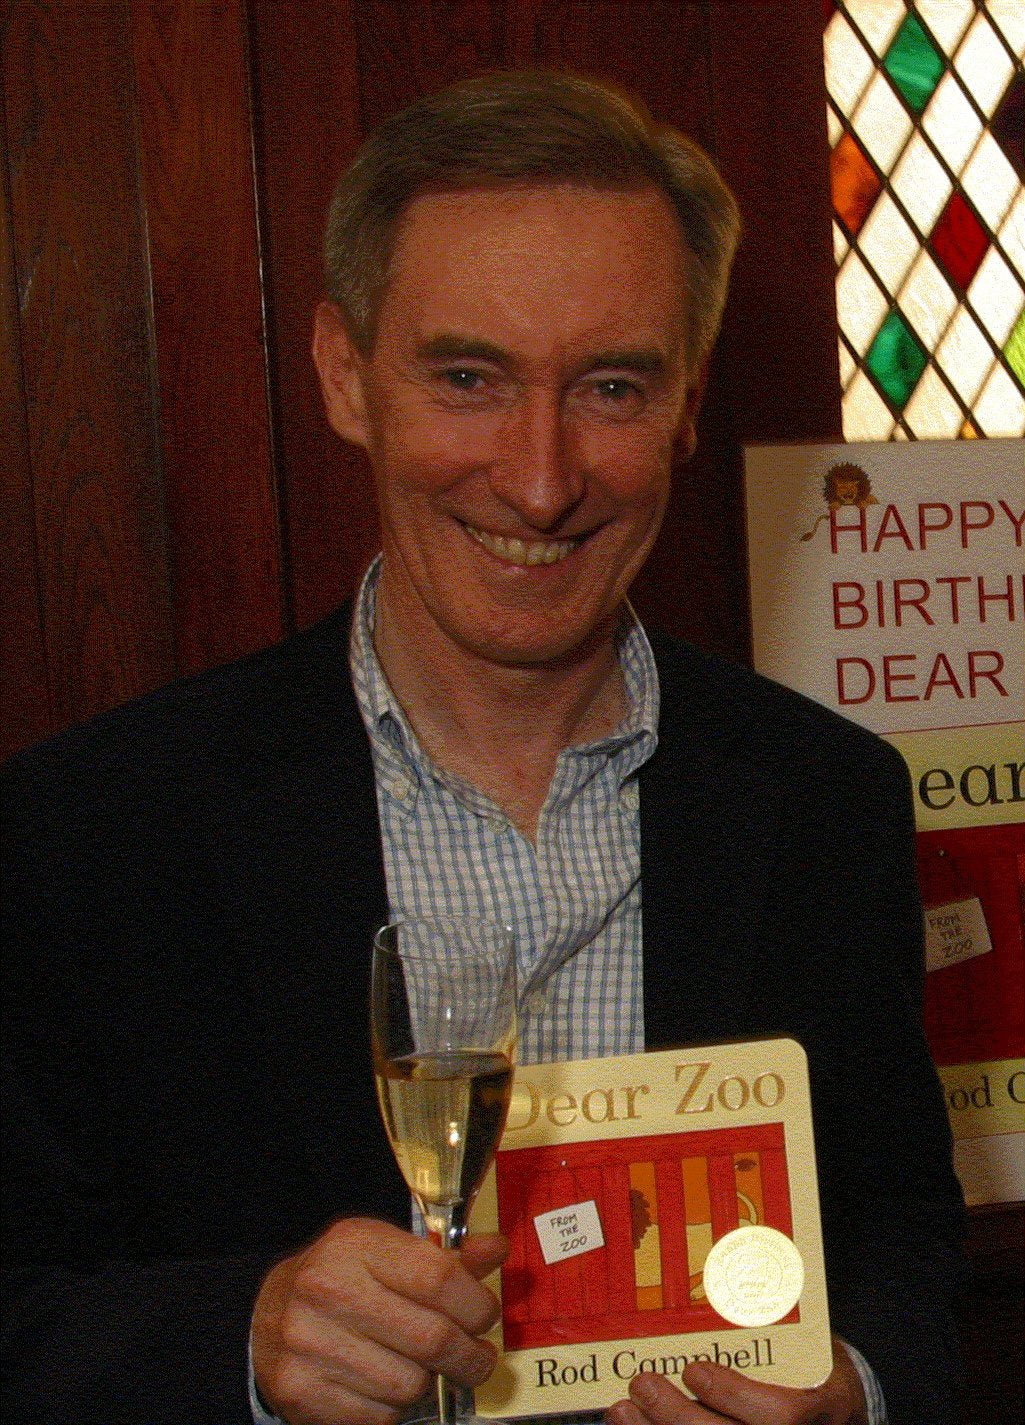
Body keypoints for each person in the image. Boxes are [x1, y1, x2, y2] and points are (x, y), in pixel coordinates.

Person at [1, 70, 964, 1425]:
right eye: (467, 378)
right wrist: (243, 1340)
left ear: (688, 405)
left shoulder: (825, 799)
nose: (540, 479)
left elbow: (903, 1243)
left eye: (613, 387)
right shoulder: (93, 828)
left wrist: (851, 1392)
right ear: (345, 374)